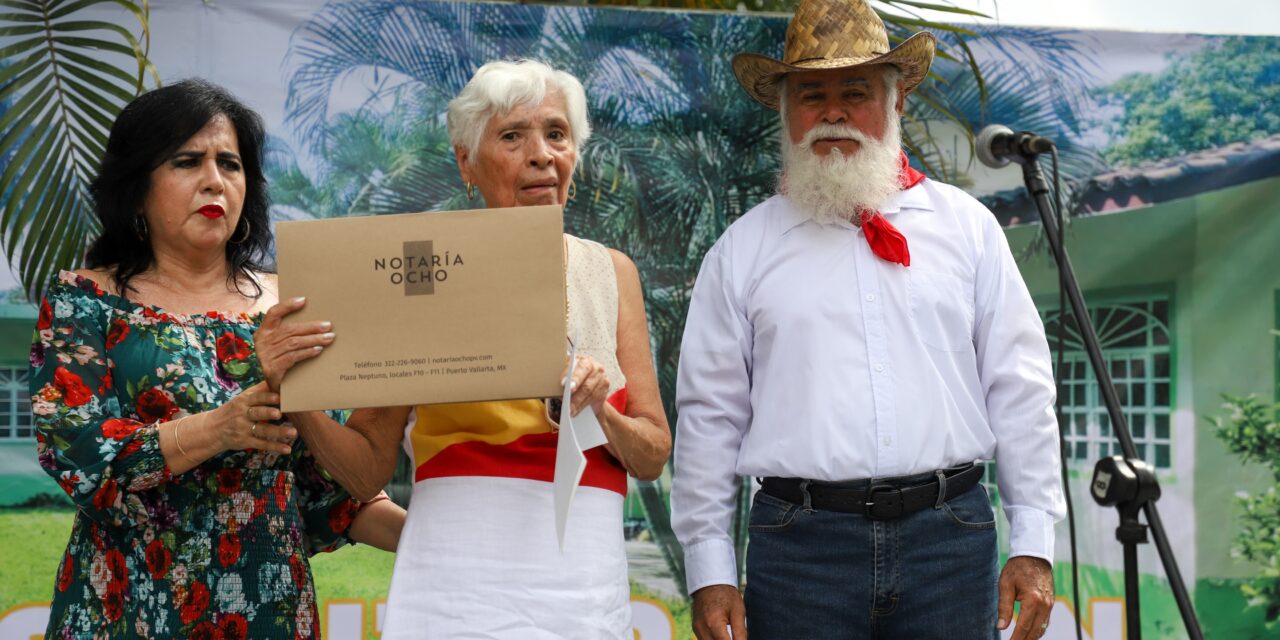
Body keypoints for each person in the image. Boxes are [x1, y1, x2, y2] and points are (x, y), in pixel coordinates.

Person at [670, 1, 1066, 639]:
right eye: (811, 95)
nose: (832, 112)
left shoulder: (967, 229)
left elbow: (1020, 391)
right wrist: (709, 571)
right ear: (785, 111)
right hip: (800, 549)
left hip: (951, 540)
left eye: (855, 91)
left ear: (897, 100)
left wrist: (1035, 541)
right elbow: (710, 419)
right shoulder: (741, 251)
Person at [285, 59, 672, 639]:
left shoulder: (611, 273)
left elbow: (652, 454)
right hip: (453, 572)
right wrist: (297, 396)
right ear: (466, 161)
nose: (541, 154)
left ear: (575, 156)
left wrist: (599, 410)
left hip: (583, 574)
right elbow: (366, 469)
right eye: (512, 136)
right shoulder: (420, 268)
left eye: (557, 134)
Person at [30, 79, 405, 639]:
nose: (214, 179)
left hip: (268, 605)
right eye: (187, 161)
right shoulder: (84, 300)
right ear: (137, 188)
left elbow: (328, 488)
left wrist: (438, 537)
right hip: (125, 606)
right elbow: (80, 453)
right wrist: (220, 428)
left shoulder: (294, 306)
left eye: (230, 163)